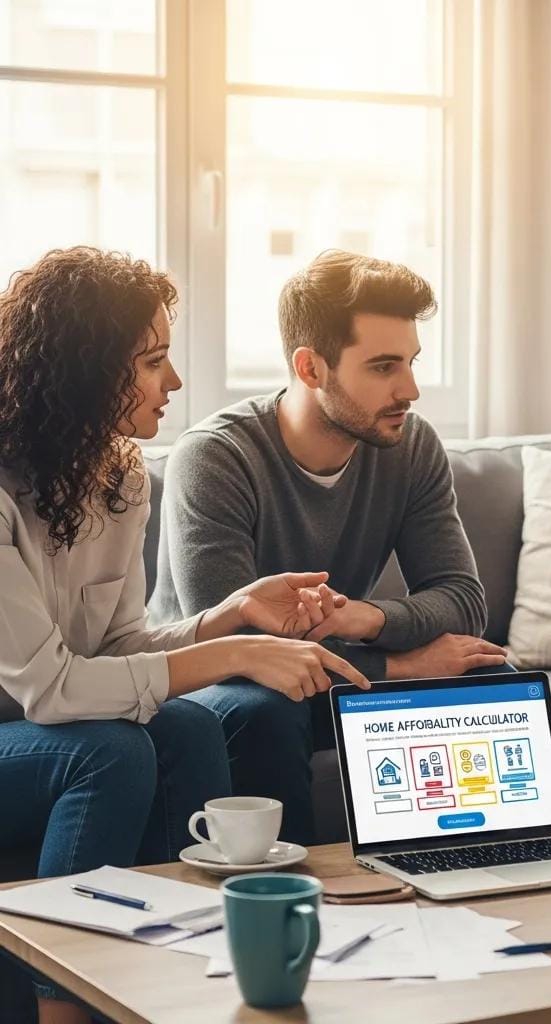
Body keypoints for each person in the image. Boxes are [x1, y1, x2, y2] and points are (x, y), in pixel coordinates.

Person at [0, 247, 368, 1024]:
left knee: (190, 727)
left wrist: (230, 615)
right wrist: (233, 655)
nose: (173, 384)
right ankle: (59, 1010)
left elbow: (116, 646)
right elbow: (53, 687)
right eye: (153, 362)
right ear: (84, 372)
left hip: (42, 721)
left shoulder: (120, 474)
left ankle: (193, 987)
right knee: (110, 751)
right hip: (21, 726)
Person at [150, 250, 508, 845]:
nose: (410, 390)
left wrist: (369, 620)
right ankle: (290, 897)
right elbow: (240, 648)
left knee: (491, 673)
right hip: (221, 682)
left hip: (335, 666)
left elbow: (464, 601)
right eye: (384, 367)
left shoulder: (410, 446)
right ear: (311, 367)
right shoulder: (216, 456)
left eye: (412, 363)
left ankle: (480, 877)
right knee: (264, 710)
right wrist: (401, 665)